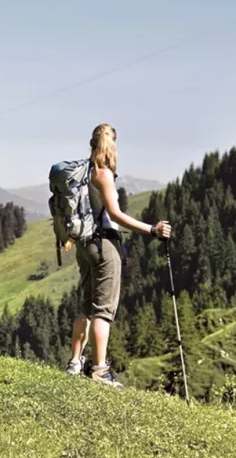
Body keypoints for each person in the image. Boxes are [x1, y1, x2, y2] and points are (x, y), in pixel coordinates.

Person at [65, 123, 171, 386]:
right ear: (112, 146)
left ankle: (75, 363)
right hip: (105, 245)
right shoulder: (103, 174)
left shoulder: (83, 172)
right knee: (103, 310)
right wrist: (151, 229)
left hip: (85, 245)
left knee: (86, 307)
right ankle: (100, 370)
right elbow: (115, 214)